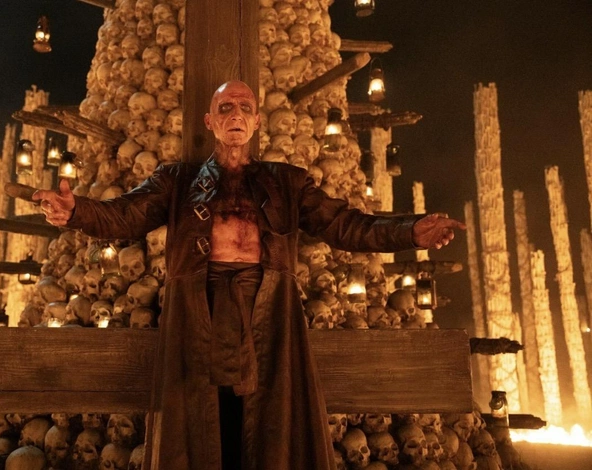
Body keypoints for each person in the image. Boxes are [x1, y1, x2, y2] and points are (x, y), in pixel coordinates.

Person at [33, 80, 465, 470]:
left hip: (268, 311)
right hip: (199, 311)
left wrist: (411, 232)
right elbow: (125, 215)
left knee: (268, 422)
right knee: (202, 421)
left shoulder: (288, 183)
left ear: (257, 122)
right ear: (210, 121)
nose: (235, 114)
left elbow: (345, 225)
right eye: (225, 107)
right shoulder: (177, 180)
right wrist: (76, 211)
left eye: (244, 107)